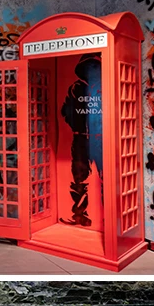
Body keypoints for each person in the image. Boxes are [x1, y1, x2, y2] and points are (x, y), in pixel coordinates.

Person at [60, 54, 103, 227]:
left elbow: (65, 111)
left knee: (105, 178)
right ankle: (79, 214)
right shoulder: (77, 88)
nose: (91, 70)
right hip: (83, 139)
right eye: (89, 67)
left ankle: (106, 218)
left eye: (94, 66)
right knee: (79, 178)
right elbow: (65, 110)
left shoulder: (84, 87)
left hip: (96, 138)